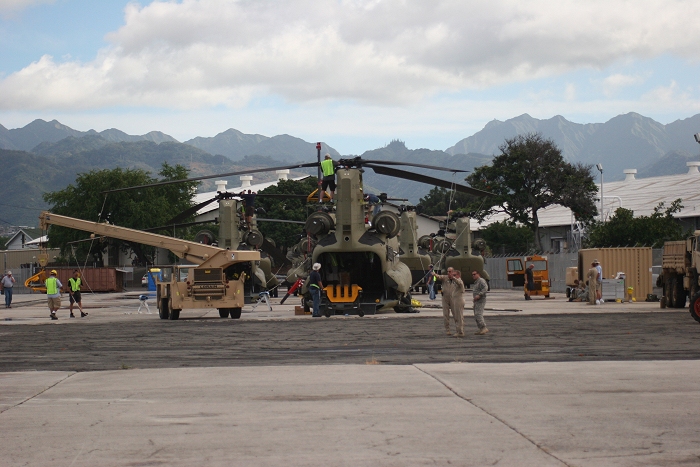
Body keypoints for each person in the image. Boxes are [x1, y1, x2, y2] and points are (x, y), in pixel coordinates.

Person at [433, 267, 465, 337]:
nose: (448, 273)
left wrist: (454, 278)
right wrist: (434, 274)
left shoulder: (457, 280)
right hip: (445, 297)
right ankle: (448, 329)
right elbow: (439, 277)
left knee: (456, 315)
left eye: (450, 272)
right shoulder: (445, 278)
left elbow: (460, 284)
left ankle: (459, 330)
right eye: (448, 271)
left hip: (454, 299)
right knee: (446, 314)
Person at [471, 270, 489, 335]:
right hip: (476, 300)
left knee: (478, 314)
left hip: (481, 300)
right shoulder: (476, 282)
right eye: (472, 275)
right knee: (476, 315)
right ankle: (480, 328)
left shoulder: (481, 280)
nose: (473, 276)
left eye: (474, 274)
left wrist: (479, 295)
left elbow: (485, 288)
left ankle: (484, 327)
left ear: (478, 274)